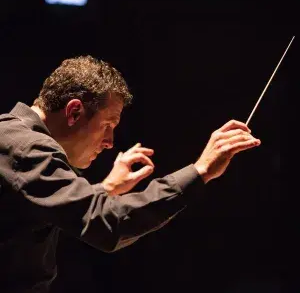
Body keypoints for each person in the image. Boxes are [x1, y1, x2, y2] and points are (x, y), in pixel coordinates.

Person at [0, 55, 261, 292]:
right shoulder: (26, 148)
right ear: (74, 111)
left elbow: (58, 213)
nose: (110, 142)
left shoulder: (14, 140)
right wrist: (200, 171)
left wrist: (106, 189)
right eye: (108, 125)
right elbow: (107, 224)